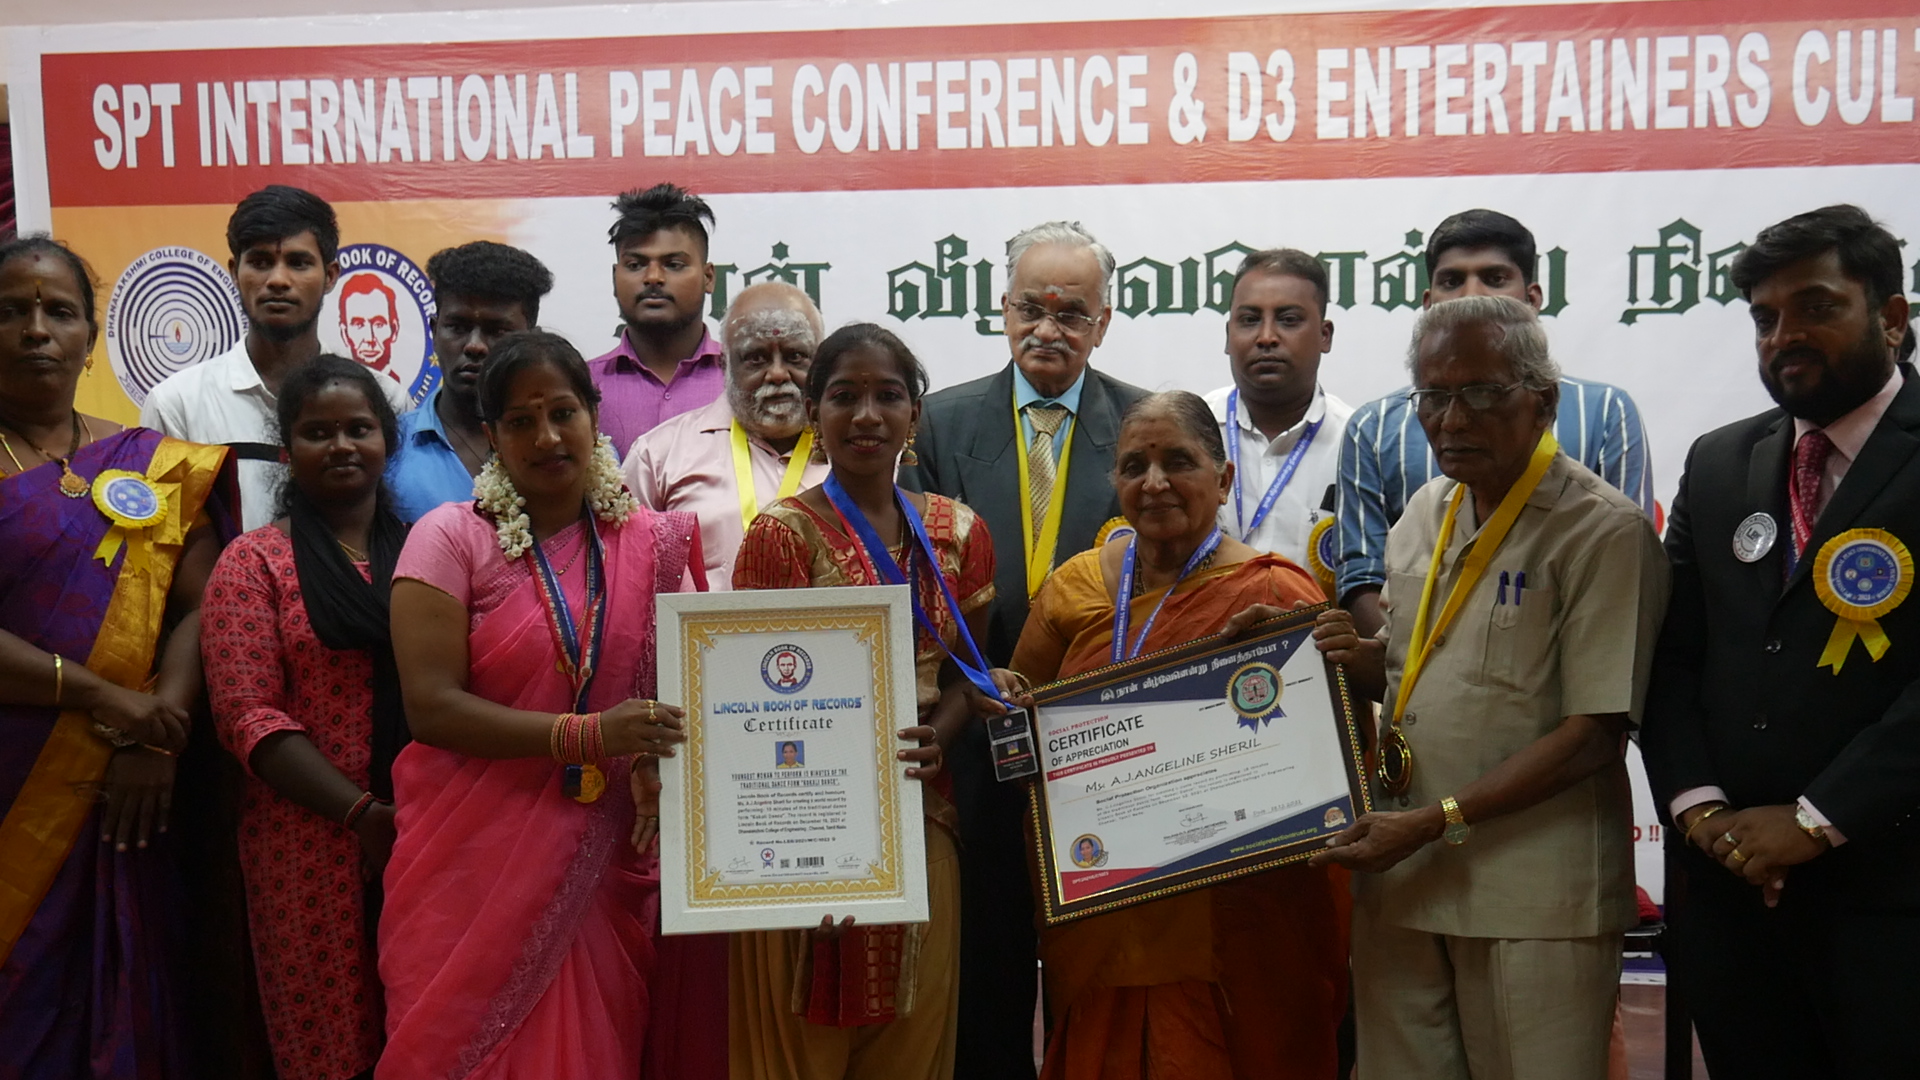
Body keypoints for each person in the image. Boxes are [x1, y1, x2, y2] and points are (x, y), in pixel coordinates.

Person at [1307, 296, 1667, 1079]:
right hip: (1404, 878)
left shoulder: (1603, 531)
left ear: (1543, 402)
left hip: (1531, 896)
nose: (1451, 419)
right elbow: (1410, 672)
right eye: (1433, 396)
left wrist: (1438, 821)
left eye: (1480, 393)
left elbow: (1594, 734)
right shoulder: (1425, 513)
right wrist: (1323, 652)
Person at [1640, 205, 1920, 1078]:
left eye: (1815, 307)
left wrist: (1815, 821)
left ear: (1892, 317)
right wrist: (1704, 812)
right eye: (1764, 317)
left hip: (1892, 896)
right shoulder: (1721, 462)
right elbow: (1667, 657)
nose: (1783, 336)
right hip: (1731, 900)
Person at [380, 330, 699, 1078]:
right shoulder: (449, 538)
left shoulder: (652, 543)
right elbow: (431, 708)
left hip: (607, 855)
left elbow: (695, 688)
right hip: (467, 864)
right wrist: (588, 734)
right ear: (490, 435)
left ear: (595, 415)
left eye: (563, 412)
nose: (548, 436)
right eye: (521, 421)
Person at [1009, 390, 1350, 1079]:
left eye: (1178, 461)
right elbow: (1019, 724)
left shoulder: (1276, 597)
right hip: (1104, 895)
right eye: (1135, 465)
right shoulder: (1076, 587)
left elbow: (1336, 762)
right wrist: (1002, 703)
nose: (1154, 482)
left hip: (1237, 919)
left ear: (1223, 479)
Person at [901, 221, 1148, 1077]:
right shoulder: (937, 423)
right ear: (1001, 310)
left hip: (1101, 748)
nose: (1049, 328)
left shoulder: (1143, 426)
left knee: (1102, 979)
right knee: (984, 980)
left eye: (1071, 312)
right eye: (1030, 308)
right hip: (971, 740)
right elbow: (917, 586)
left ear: (1103, 322)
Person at [732, 322, 998, 1080]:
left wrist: (941, 732)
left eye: (888, 396)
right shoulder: (779, 537)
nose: (867, 416)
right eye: (844, 397)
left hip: (924, 809)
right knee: (797, 1037)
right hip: (801, 820)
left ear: (916, 414)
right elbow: (751, 694)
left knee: (914, 1035)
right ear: (813, 411)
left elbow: (966, 673)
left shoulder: (959, 532)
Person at [0, 235, 232, 1075]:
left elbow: (209, 598)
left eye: (59, 311)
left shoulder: (149, 461)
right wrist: (108, 700)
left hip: (140, 785)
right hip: (16, 785)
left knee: (137, 995)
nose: (36, 329)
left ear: (90, 338)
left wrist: (158, 730)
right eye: (13, 311)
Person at [201, 355, 410, 1080]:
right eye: (318, 432)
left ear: (388, 440)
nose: (343, 445)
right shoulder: (253, 563)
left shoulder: (433, 552)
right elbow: (247, 717)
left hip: (427, 834)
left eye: (359, 427)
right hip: (307, 844)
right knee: (328, 1044)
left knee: (431, 1029)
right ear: (288, 451)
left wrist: (402, 820)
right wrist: (362, 814)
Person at [1336, 209, 1654, 636]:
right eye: (1452, 281)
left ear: (1533, 298)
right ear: (1428, 303)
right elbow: (1363, 576)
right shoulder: (1373, 427)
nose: (1472, 295)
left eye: (1494, 277)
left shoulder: (1606, 411)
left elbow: (1626, 571)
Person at [141, 184, 405, 532]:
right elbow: (162, 543)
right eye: (261, 262)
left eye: (298, 263)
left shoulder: (384, 396)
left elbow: (394, 521)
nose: (278, 280)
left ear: (330, 276)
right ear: (235, 271)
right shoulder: (178, 404)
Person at [624, 281, 830, 587]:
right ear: (725, 364)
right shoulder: (658, 456)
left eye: (795, 356)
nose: (777, 373)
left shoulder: (856, 454)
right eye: (756, 358)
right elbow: (625, 581)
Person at [1202, 248, 1352, 591]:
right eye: (1250, 320)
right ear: (1228, 335)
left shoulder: (1356, 441)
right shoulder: (1191, 431)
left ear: (1325, 335)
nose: (1266, 336)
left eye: (1288, 320)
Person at [388, 241, 554, 521]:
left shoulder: (570, 448)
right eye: (458, 327)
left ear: (531, 339)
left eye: (497, 330)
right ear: (434, 330)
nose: (475, 346)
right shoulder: (388, 449)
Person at [589, 183, 723, 453]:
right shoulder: (582, 385)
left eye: (673, 265)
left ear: (708, 277)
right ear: (615, 277)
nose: (653, 278)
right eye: (635, 265)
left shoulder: (741, 380)